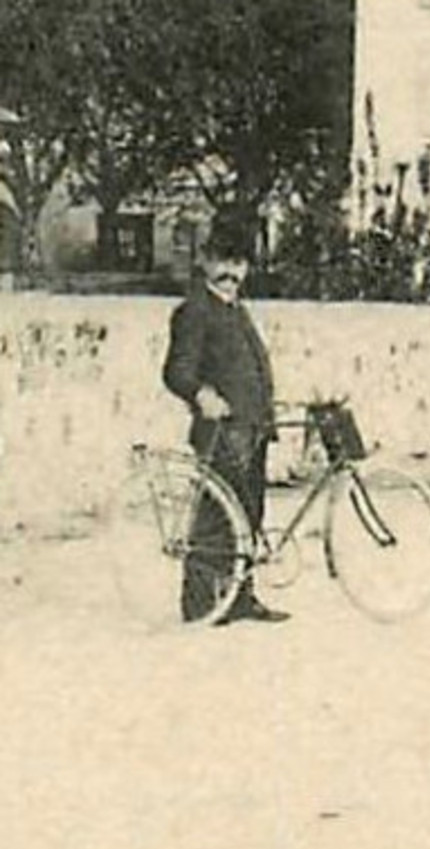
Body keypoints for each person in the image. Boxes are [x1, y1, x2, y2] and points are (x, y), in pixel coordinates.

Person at [162, 225, 289, 624]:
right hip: (220, 432)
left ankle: (240, 597)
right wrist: (201, 395)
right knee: (216, 520)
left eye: (238, 263)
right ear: (205, 262)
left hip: (251, 429)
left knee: (249, 514)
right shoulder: (194, 310)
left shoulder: (237, 308)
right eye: (222, 261)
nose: (231, 272)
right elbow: (176, 371)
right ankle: (201, 606)